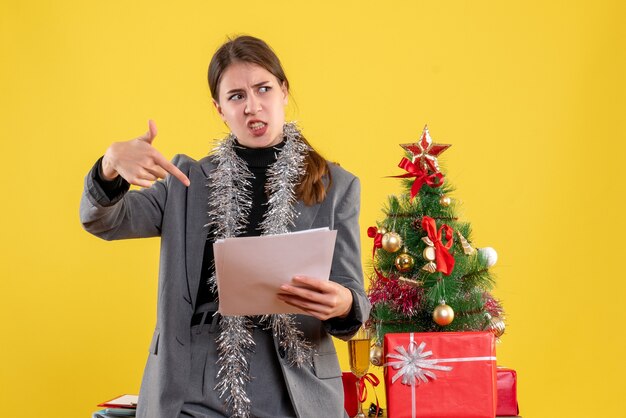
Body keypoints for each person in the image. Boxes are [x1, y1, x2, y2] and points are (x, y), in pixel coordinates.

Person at [81, 35, 370, 418]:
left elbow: (353, 298)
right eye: (236, 96)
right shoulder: (186, 181)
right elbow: (103, 220)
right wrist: (110, 164)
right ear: (219, 108)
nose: (252, 106)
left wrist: (344, 304)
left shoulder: (336, 186)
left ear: (283, 91)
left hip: (293, 380)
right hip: (195, 376)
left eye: (263, 89)